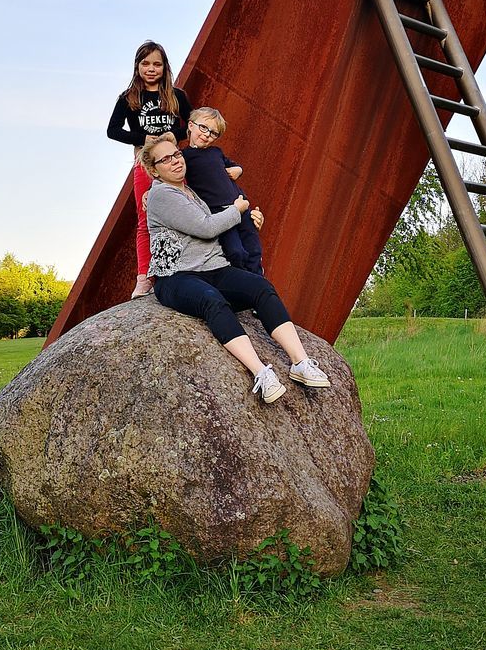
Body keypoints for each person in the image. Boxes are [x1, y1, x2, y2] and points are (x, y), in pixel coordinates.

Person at [141, 132, 331, 403]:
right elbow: (207, 228)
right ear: (154, 170)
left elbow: (220, 212)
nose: (175, 161)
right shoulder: (161, 195)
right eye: (166, 159)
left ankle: (300, 363)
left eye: (177, 154)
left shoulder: (191, 190)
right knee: (213, 302)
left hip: (213, 268)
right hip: (176, 276)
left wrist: (249, 218)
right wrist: (238, 210)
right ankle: (261, 372)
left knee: (261, 287)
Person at [107, 41, 191, 298]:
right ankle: (144, 277)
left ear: (165, 67)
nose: (151, 69)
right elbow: (112, 130)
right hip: (145, 165)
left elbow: (191, 123)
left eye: (157, 64)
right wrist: (142, 138)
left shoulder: (176, 96)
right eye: (146, 64)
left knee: (181, 214)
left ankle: (182, 270)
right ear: (137, 66)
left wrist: (173, 134)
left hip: (173, 163)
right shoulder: (129, 97)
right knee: (145, 220)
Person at [182, 107, 263, 273]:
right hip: (218, 213)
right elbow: (168, 174)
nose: (206, 135)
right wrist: (148, 191)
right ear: (191, 125)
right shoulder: (183, 156)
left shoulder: (216, 152)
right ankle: (245, 280)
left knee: (253, 248)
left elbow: (233, 165)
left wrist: (238, 169)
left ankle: (258, 279)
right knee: (235, 251)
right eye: (203, 128)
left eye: (213, 133)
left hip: (240, 205)